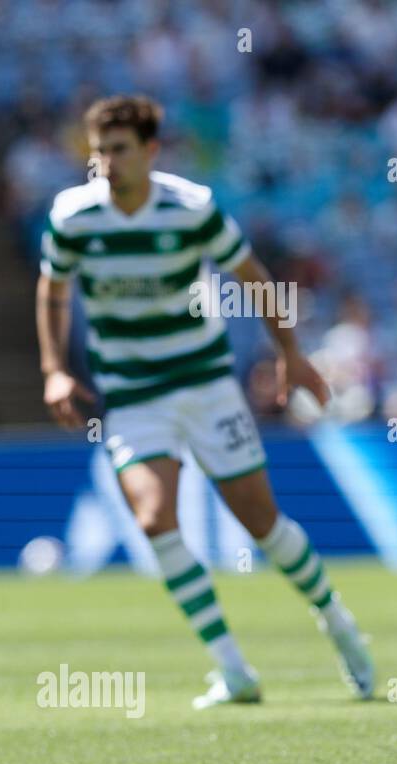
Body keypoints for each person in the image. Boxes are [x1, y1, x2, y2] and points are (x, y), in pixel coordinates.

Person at [36, 95, 374, 708]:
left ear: (150, 151)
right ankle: (232, 667)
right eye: (99, 151)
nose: (108, 162)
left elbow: (254, 278)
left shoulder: (191, 208)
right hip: (134, 396)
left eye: (120, 149)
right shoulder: (73, 216)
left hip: (205, 384)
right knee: (152, 518)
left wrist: (291, 355)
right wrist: (55, 368)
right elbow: (52, 289)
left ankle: (338, 621)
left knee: (262, 524)